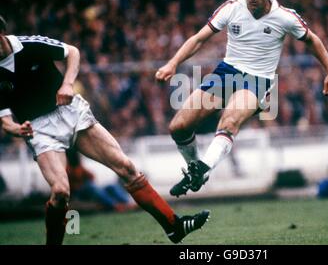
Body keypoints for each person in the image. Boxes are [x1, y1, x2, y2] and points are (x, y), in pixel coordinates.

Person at [0, 15, 209, 245]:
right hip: (39, 128)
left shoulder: (29, 45)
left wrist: (68, 83)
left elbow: (72, 52)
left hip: (70, 111)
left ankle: (174, 226)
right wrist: (17, 129)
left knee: (127, 167)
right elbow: (5, 119)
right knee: (60, 192)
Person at [156, 0, 328, 197]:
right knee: (178, 127)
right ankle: (195, 168)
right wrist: (173, 63)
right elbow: (199, 39)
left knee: (229, 122)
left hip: (257, 80)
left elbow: (312, 40)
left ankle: (201, 169)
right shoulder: (232, 7)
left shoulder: (285, 17)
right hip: (226, 73)